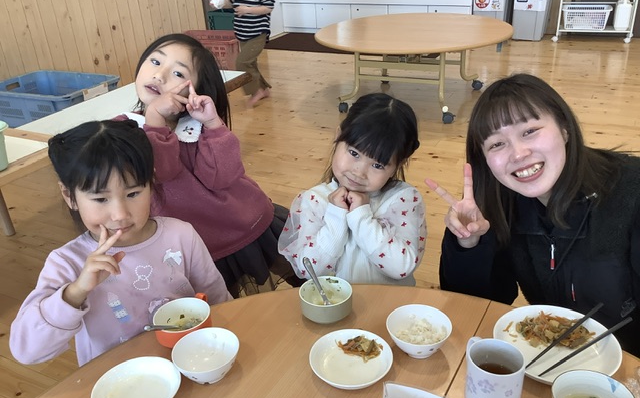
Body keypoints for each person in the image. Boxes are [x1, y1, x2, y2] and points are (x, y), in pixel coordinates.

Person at [426, 73, 640, 357]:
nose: (518, 154)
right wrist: (470, 244)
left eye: (529, 131)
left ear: (564, 128)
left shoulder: (632, 192)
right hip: (553, 359)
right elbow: (482, 306)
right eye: (496, 144)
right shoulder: (501, 203)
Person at [10, 120, 232, 367]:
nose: (120, 214)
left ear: (151, 183)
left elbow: (219, 301)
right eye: (100, 199)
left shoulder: (181, 235)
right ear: (69, 196)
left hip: (191, 360)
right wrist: (76, 291)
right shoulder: (67, 263)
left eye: (133, 194)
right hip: (119, 379)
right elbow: (26, 351)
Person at [124, 33, 303, 297]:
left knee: (254, 305)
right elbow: (148, 177)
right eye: (155, 61)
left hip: (234, 229)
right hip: (180, 247)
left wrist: (212, 124)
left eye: (177, 73)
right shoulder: (121, 128)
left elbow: (220, 177)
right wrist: (153, 119)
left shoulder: (196, 127)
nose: (159, 76)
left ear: (196, 88)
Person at [278, 93, 426, 286]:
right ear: (338, 135)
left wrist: (361, 217)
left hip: (391, 302)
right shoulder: (315, 200)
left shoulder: (403, 199)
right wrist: (336, 217)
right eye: (354, 153)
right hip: (334, 302)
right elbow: (308, 270)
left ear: (398, 165)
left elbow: (401, 267)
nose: (359, 172)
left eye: (378, 165)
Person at [211, 0, 281, 107]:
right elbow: (232, 2)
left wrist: (248, 10)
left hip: (258, 33)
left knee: (242, 63)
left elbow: (268, 7)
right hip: (243, 32)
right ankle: (263, 89)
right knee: (251, 63)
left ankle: (256, 91)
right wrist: (220, 3)